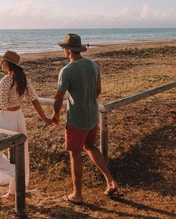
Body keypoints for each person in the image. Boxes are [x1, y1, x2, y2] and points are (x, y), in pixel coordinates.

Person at [0, 50, 53, 200]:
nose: (1, 63)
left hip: (6, 118)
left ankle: (17, 173)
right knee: (17, 152)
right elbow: (34, 99)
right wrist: (45, 118)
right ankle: (13, 192)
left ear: (9, 63)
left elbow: (0, 105)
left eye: (3, 61)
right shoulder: (23, 79)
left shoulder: (6, 80)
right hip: (18, 117)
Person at [51, 33, 122, 204]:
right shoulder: (92, 64)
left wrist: (55, 113)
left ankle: (77, 194)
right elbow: (98, 89)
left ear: (67, 50)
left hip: (76, 118)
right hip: (92, 115)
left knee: (75, 154)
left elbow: (59, 97)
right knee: (90, 146)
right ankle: (110, 180)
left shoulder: (66, 71)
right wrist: (89, 100)